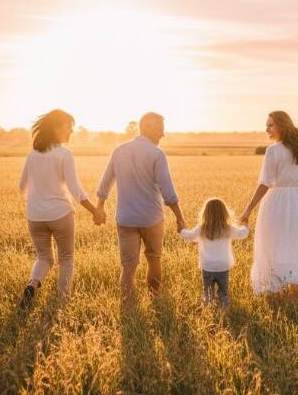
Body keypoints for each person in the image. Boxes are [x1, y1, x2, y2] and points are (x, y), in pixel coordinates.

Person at [94, 112, 186, 302]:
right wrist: (179, 217)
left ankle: (128, 307)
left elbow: (105, 182)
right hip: (151, 219)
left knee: (128, 267)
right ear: (150, 128)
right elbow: (167, 190)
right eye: (161, 130)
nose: (163, 135)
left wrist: (100, 207)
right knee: (154, 259)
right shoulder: (156, 154)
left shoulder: (119, 150)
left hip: (126, 219)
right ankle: (154, 299)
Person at [239, 111, 298, 297]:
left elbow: (265, 183)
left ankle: (278, 290)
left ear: (281, 125)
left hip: (276, 202)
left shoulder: (273, 151)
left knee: (274, 245)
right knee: (295, 245)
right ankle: (295, 291)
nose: (267, 129)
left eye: (270, 125)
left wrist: (248, 210)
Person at [18, 109, 97, 308]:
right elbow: (75, 189)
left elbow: (22, 186)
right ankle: (63, 302)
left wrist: (38, 199)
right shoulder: (64, 154)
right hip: (60, 214)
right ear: (55, 128)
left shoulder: (32, 153)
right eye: (68, 127)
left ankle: (33, 284)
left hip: (34, 216)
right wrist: (94, 210)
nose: (71, 132)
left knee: (44, 257)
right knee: (66, 258)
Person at [180, 197, 249, 309]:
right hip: (223, 267)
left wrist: (181, 229)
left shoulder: (202, 228)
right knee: (223, 293)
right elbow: (243, 234)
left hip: (207, 267)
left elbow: (189, 236)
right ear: (224, 213)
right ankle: (224, 313)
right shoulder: (227, 228)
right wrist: (245, 224)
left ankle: (208, 312)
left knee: (207, 294)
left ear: (205, 213)